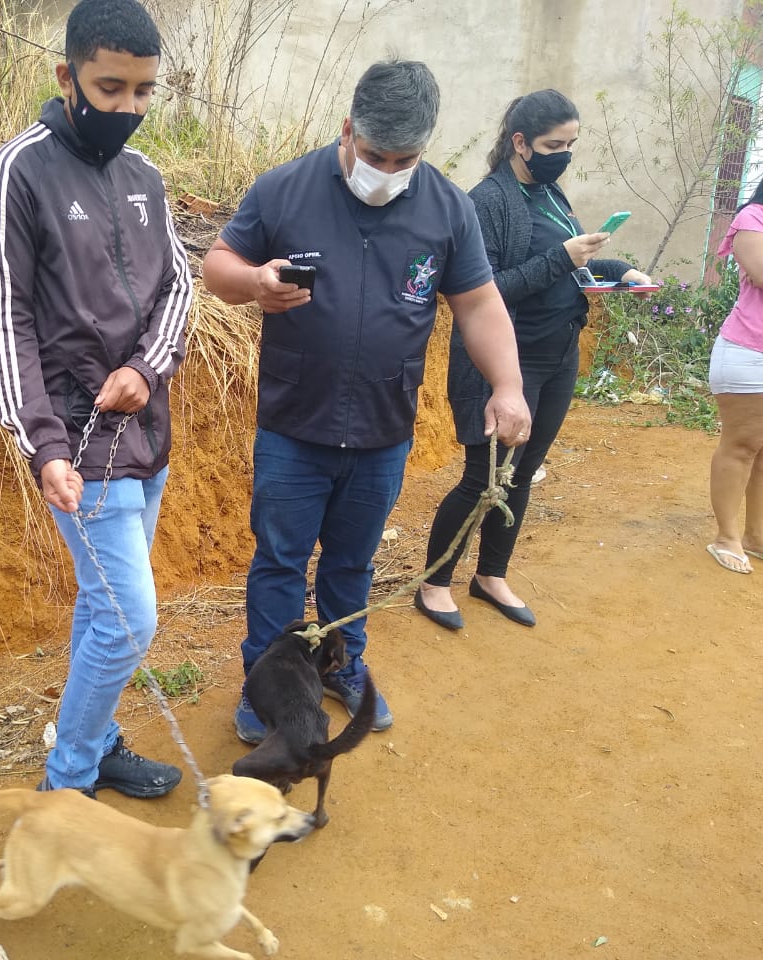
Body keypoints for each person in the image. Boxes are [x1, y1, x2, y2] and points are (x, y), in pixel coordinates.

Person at [201, 59, 532, 743]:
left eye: (403, 158)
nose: (385, 168)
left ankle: (342, 667)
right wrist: (255, 280)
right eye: (374, 153)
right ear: (347, 129)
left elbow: (476, 304)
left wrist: (507, 385)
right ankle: (268, 690)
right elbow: (217, 267)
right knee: (280, 565)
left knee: (353, 563)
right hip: (294, 427)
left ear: (424, 149)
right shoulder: (285, 188)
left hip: (383, 431)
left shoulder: (447, 208)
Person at [0, 0, 193, 796]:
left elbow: (178, 291)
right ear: (67, 77)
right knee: (132, 620)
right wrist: (44, 444)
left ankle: (93, 746)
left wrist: (148, 367)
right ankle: (67, 785)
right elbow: (7, 318)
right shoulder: (14, 174)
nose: (127, 109)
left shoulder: (145, 177)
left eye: (142, 92)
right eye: (109, 88)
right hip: (81, 441)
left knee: (106, 614)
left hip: (148, 432)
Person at [416, 89, 653, 627]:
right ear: (520, 143)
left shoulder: (551, 193)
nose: (564, 153)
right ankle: (433, 584)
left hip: (557, 356)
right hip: (502, 363)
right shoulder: (489, 201)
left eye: (571, 143)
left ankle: (490, 575)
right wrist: (560, 258)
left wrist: (620, 270)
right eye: (554, 144)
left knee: (522, 474)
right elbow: (485, 290)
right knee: (484, 476)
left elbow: (572, 259)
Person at [705, 179, 763, 574]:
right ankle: (726, 536)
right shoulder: (752, 219)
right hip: (750, 352)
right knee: (742, 445)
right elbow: (760, 274)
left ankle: (755, 536)